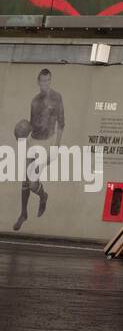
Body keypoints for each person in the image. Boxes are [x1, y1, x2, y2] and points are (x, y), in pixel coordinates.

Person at [13, 68, 65, 231]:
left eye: (48, 80)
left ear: (50, 81)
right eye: (43, 81)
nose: (45, 83)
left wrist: (57, 145)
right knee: (25, 180)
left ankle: (43, 195)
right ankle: (23, 213)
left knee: (32, 182)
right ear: (38, 82)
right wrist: (22, 130)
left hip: (48, 143)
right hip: (33, 141)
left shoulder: (57, 97)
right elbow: (31, 123)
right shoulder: (34, 101)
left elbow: (61, 123)